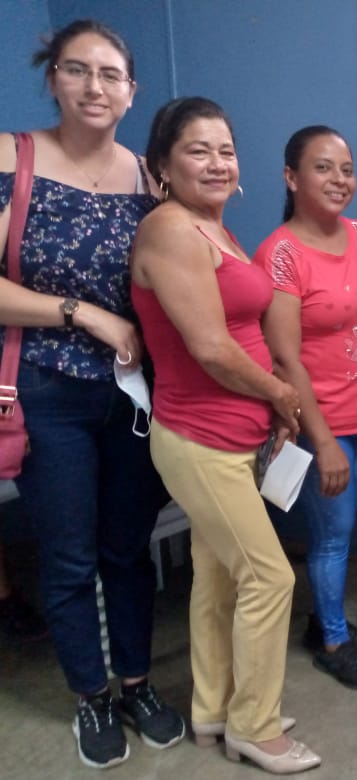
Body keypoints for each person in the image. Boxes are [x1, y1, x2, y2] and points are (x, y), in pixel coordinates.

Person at [0, 19, 183, 769]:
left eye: (111, 75)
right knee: (70, 555)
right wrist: (82, 314)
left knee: (127, 548)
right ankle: (91, 695)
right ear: (53, 78)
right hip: (47, 389)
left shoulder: (147, 174)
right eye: (78, 70)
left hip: (133, 396)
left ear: (131, 91)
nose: (95, 86)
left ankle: (136, 683)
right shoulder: (13, 158)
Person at [131, 97, 320, 774]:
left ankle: (212, 710)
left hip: (235, 437)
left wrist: (270, 408)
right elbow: (210, 348)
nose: (217, 163)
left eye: (226, 151)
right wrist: (281, 393)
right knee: (269, 577)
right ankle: (255, 728)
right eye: (198, 150)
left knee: (216, 579)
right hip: (199, 438)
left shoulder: (215, 227)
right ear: (161, 166)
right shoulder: (170, 229)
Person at [256, 126, 357, 692]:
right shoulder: (281, 254)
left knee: (343, 528)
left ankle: (325, 620)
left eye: (347, 169)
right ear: (291, 177)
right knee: (332, 536)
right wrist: (325, 440)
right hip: (325, 428)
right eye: (323, 167)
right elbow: (285, 359)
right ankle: (333, 641)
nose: (339, 179)